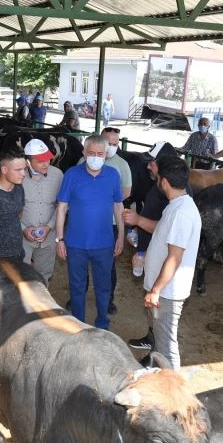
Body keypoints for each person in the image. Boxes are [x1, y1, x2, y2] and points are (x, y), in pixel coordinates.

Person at [56, 135, 124, 329]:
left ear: (106, 155)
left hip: (104, 243)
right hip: (75, 243)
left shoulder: (112, 175)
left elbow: (118, 207)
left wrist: (120, 235)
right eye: (91, 153)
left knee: (103, 287)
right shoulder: (71, 174)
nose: (95, 157)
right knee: (77, 287)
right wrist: (59, 239)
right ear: (84, 153)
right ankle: (79, 324)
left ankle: (102, 322)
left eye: (100, 154)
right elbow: (61, 208)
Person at [142, 155, 201, 370]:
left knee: (167, 345)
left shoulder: (182, 213)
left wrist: (156, 289)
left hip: (167, 292)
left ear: (164, 181)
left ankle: (175, 393)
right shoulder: (176, 206)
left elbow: (174, 257)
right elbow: (164, 233)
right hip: (164, 290)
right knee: (160, 339)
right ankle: (160, 379)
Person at [124, 140, 179, 350]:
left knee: (161, 308)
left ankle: (160, 353)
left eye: (152, 162)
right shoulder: (159, 187)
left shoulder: (173, 195)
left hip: (165, 260)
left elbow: (167, 230)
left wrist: (142, 246)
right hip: (155, 255)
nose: (148, 165)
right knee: (154, 308)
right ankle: (152, 338)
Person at [97, 126, 132, 314]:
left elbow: (126, 192)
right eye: (108, 143)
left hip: (110, 222)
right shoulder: (85, 160)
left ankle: (108, 299)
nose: (111, 147)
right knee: (80, 260)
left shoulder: (121, 165)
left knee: (108, 264)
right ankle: (78, 293)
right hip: (87, 222)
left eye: (114, 144)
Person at [21, 139, 63, 285]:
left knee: (44, 275)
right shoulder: (17, 176)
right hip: (23, 238)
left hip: (49, 237)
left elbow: (62, 206)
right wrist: (23, 229)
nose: (46, 164)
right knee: (22, 274)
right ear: (27, 161)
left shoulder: (58, 175)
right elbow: (11, 207)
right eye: (40, 161)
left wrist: (49, 227)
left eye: (48, 159)